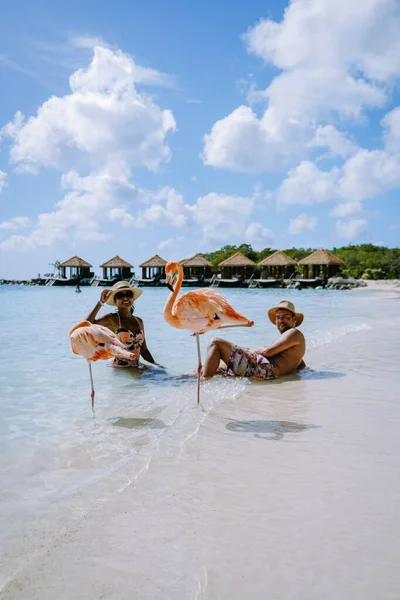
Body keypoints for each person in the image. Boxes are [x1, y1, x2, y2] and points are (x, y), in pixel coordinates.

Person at [202, 300, 306, 380]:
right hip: (265, 371)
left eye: (285, 316)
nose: (281, 320)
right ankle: (195, 378)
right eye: (278, 317)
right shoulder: (292, 339)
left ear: (294, 319)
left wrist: (252, 351)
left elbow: (267, 352)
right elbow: (301, 364)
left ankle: (204, 384)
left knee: (215, 343)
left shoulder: (294, 332)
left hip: (266, 370)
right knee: (216, 369)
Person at [86, 281, 159, 368]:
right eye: (120, 296)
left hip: (136, 366)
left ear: (133, 298)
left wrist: (157, 365)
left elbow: (144, 350)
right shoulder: (112, 319)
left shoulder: (139, 321)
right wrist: (101, 302)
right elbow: (86, 326)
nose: (125, 298)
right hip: (120, 368)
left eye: (128, 294)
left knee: (165, 377)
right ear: (115, 301)